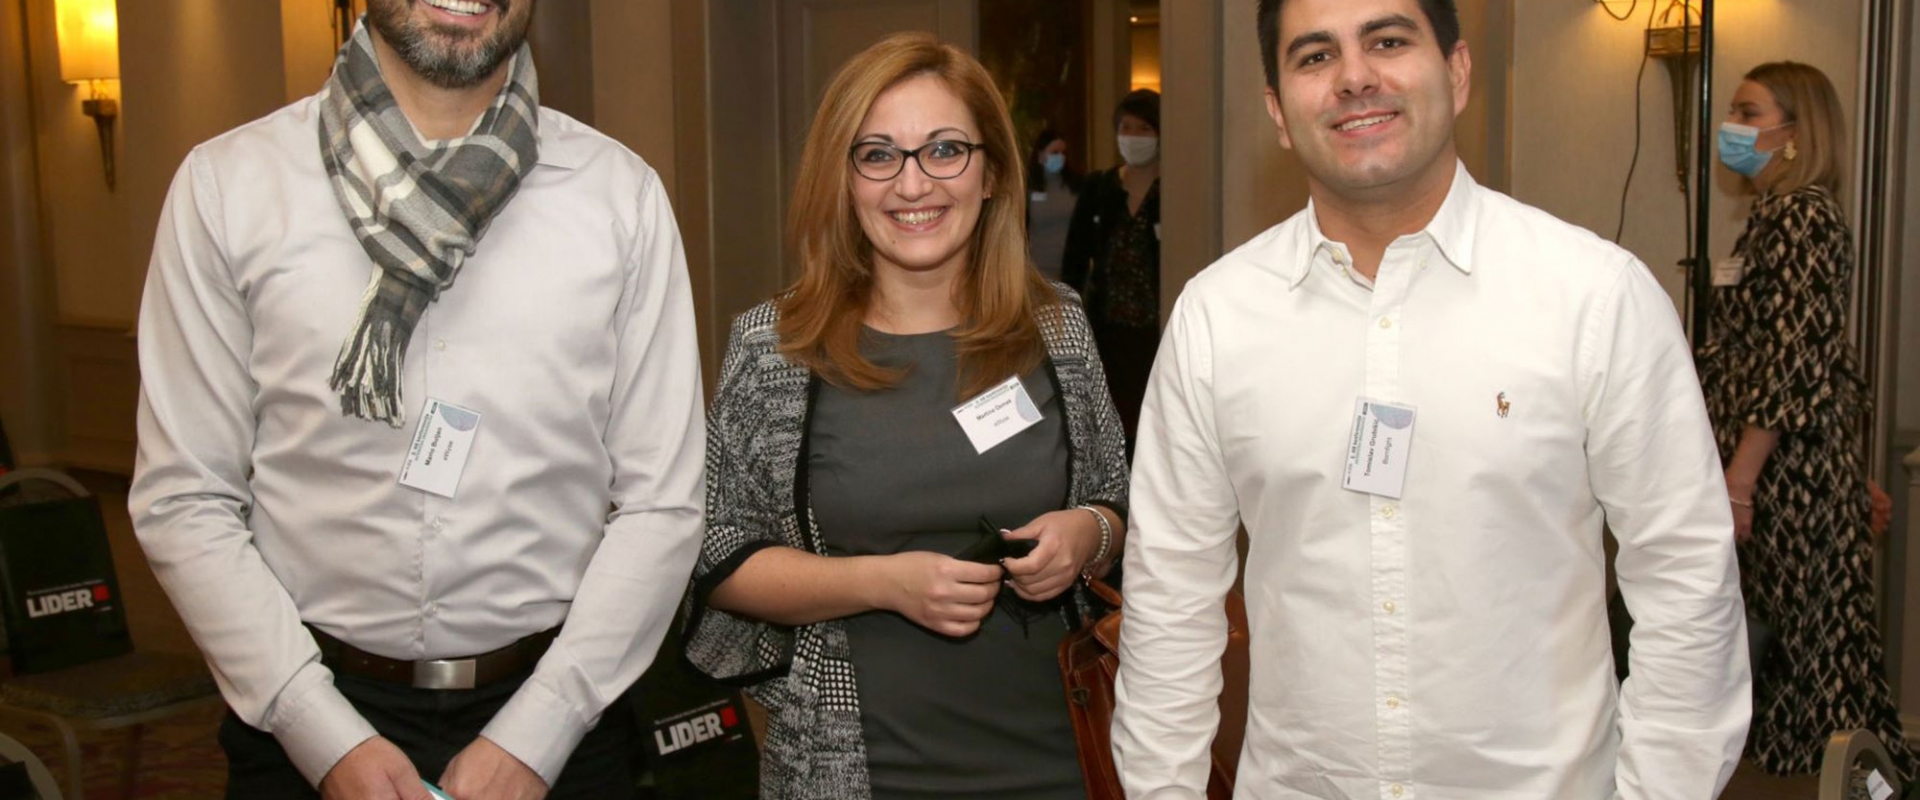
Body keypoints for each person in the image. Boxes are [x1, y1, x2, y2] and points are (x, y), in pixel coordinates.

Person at [1111, 0, 1753, 797]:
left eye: (1387, 40)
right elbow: (1170, 597)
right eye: (1315, 56)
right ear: (1277, 109)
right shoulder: (1217, 319)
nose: (1354, 77)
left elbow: (1686, 583)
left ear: (1457, 72)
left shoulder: (1594, 299)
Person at [129, 2, 706, 798]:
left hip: (560, 723)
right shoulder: (229, 188)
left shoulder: (619, 196)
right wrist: (319, 734)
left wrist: (541, 731)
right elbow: (185, 496)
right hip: (303, 717)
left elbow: (662, 502)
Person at [680, 32, 1130, 800]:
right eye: (878, 155)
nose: (913, 184)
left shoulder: (1058, 326)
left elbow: (1117, 501)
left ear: (991, 172)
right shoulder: (774, 346)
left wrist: (1089, 533)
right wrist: (884, 582)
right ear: (844, 178)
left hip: (1066, 756)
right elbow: (718, 557)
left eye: (945, 150)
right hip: (853, 769)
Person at [1697, 60, 1916, 782]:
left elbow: (1794, 365)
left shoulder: (1803, 217)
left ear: (1796, 132)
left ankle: (1864, 786)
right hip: (1790, 472)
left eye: (1749, 113)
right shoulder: (1772, 218)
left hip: (1783, 479)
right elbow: (1814, 354)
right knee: (1803, 655)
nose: (1732, 126)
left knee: (1815, 665)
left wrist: (1740, 483)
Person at [1063, 89, 1162, 452]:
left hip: (1155, 330)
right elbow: (1075, 258)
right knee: (1110, 423)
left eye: (1143, 128)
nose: (1133, 136)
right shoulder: (1099, 187)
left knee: (1152, 422)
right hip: (1107, 330)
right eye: (1126, 128)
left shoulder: (1173, 191)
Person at [1025, 127, 1081, 282]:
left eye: (1063, 153)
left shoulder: (1076, 186)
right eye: (1055, 152)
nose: (1060, 157)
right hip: (1037, 269)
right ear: (1040, 155)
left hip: (1071, 269)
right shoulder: (1028, 187)